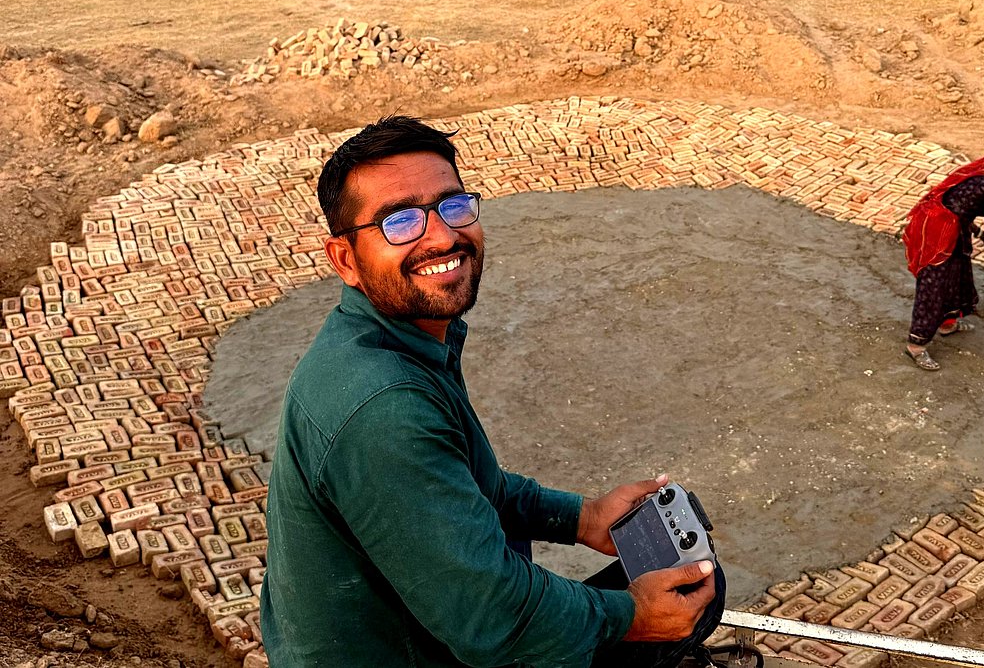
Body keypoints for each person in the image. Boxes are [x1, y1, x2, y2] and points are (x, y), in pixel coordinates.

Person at [261, 115, 726, 668]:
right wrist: (631, 618)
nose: (441, 236)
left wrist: (582, 518)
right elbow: (491, 617)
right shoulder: (383, 405)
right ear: (345, 260)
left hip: (415, 627)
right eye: (399, 222)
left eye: (452, 207)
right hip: (422, 648)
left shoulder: (391, 342)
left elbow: (459, 486)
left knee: (676, 575)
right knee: (699, 591)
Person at [901, 147, 984, 371]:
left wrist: (976, 233)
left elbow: (958, 205)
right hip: (939, 232)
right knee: (934, 284)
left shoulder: (974, 174)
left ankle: (947, 323)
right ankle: (916, 346)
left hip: (945, 225)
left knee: (958, 273)